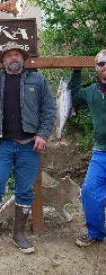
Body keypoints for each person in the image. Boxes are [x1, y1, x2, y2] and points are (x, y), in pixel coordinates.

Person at [0, 41, 55, 256]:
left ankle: (19, 234)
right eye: (9, 55)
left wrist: (43, 134)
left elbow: (49, 110)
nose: (13, 58)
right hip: (1, 146)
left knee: (25, 191)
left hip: (29, 146)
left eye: (17, 54)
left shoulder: (38, 82)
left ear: (23, 58)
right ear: (3, 60)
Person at [70, 49, 106, 247]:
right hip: (101, 152)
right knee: (90, 192)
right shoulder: (91, 91)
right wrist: (76, 72)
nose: (105, 67)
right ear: (96, 67)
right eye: (101, 64)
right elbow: (73, 95)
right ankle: (96, 233)